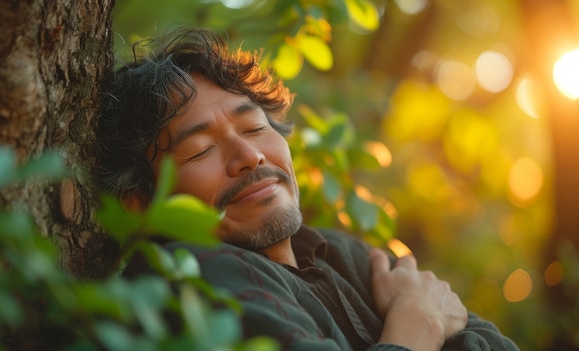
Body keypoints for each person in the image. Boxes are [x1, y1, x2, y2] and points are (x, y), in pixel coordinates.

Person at [96, 27, 519, 351]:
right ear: (139, 202)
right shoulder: (192, 275)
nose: (250, 155)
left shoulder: (343, 253)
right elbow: (441, 318)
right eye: (200, 150)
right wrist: (418, 324)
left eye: (254, 127)